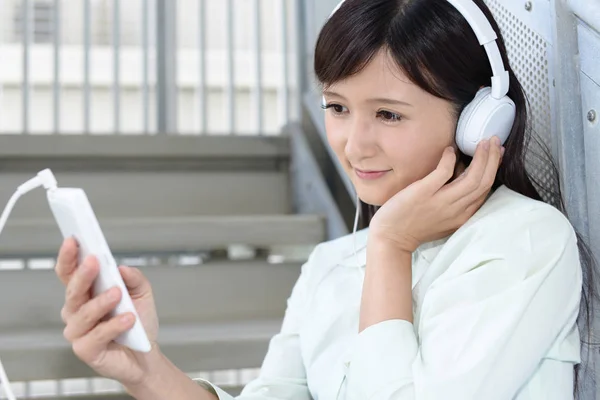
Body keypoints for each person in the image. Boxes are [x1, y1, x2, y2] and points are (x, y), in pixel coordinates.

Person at [53, 0, 595, 399]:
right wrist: (145, 369)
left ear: (478, 124)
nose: (354, 145)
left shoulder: (524, 240)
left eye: (388, 114)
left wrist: (390, 247)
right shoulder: (331, 264)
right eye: (337, 107)